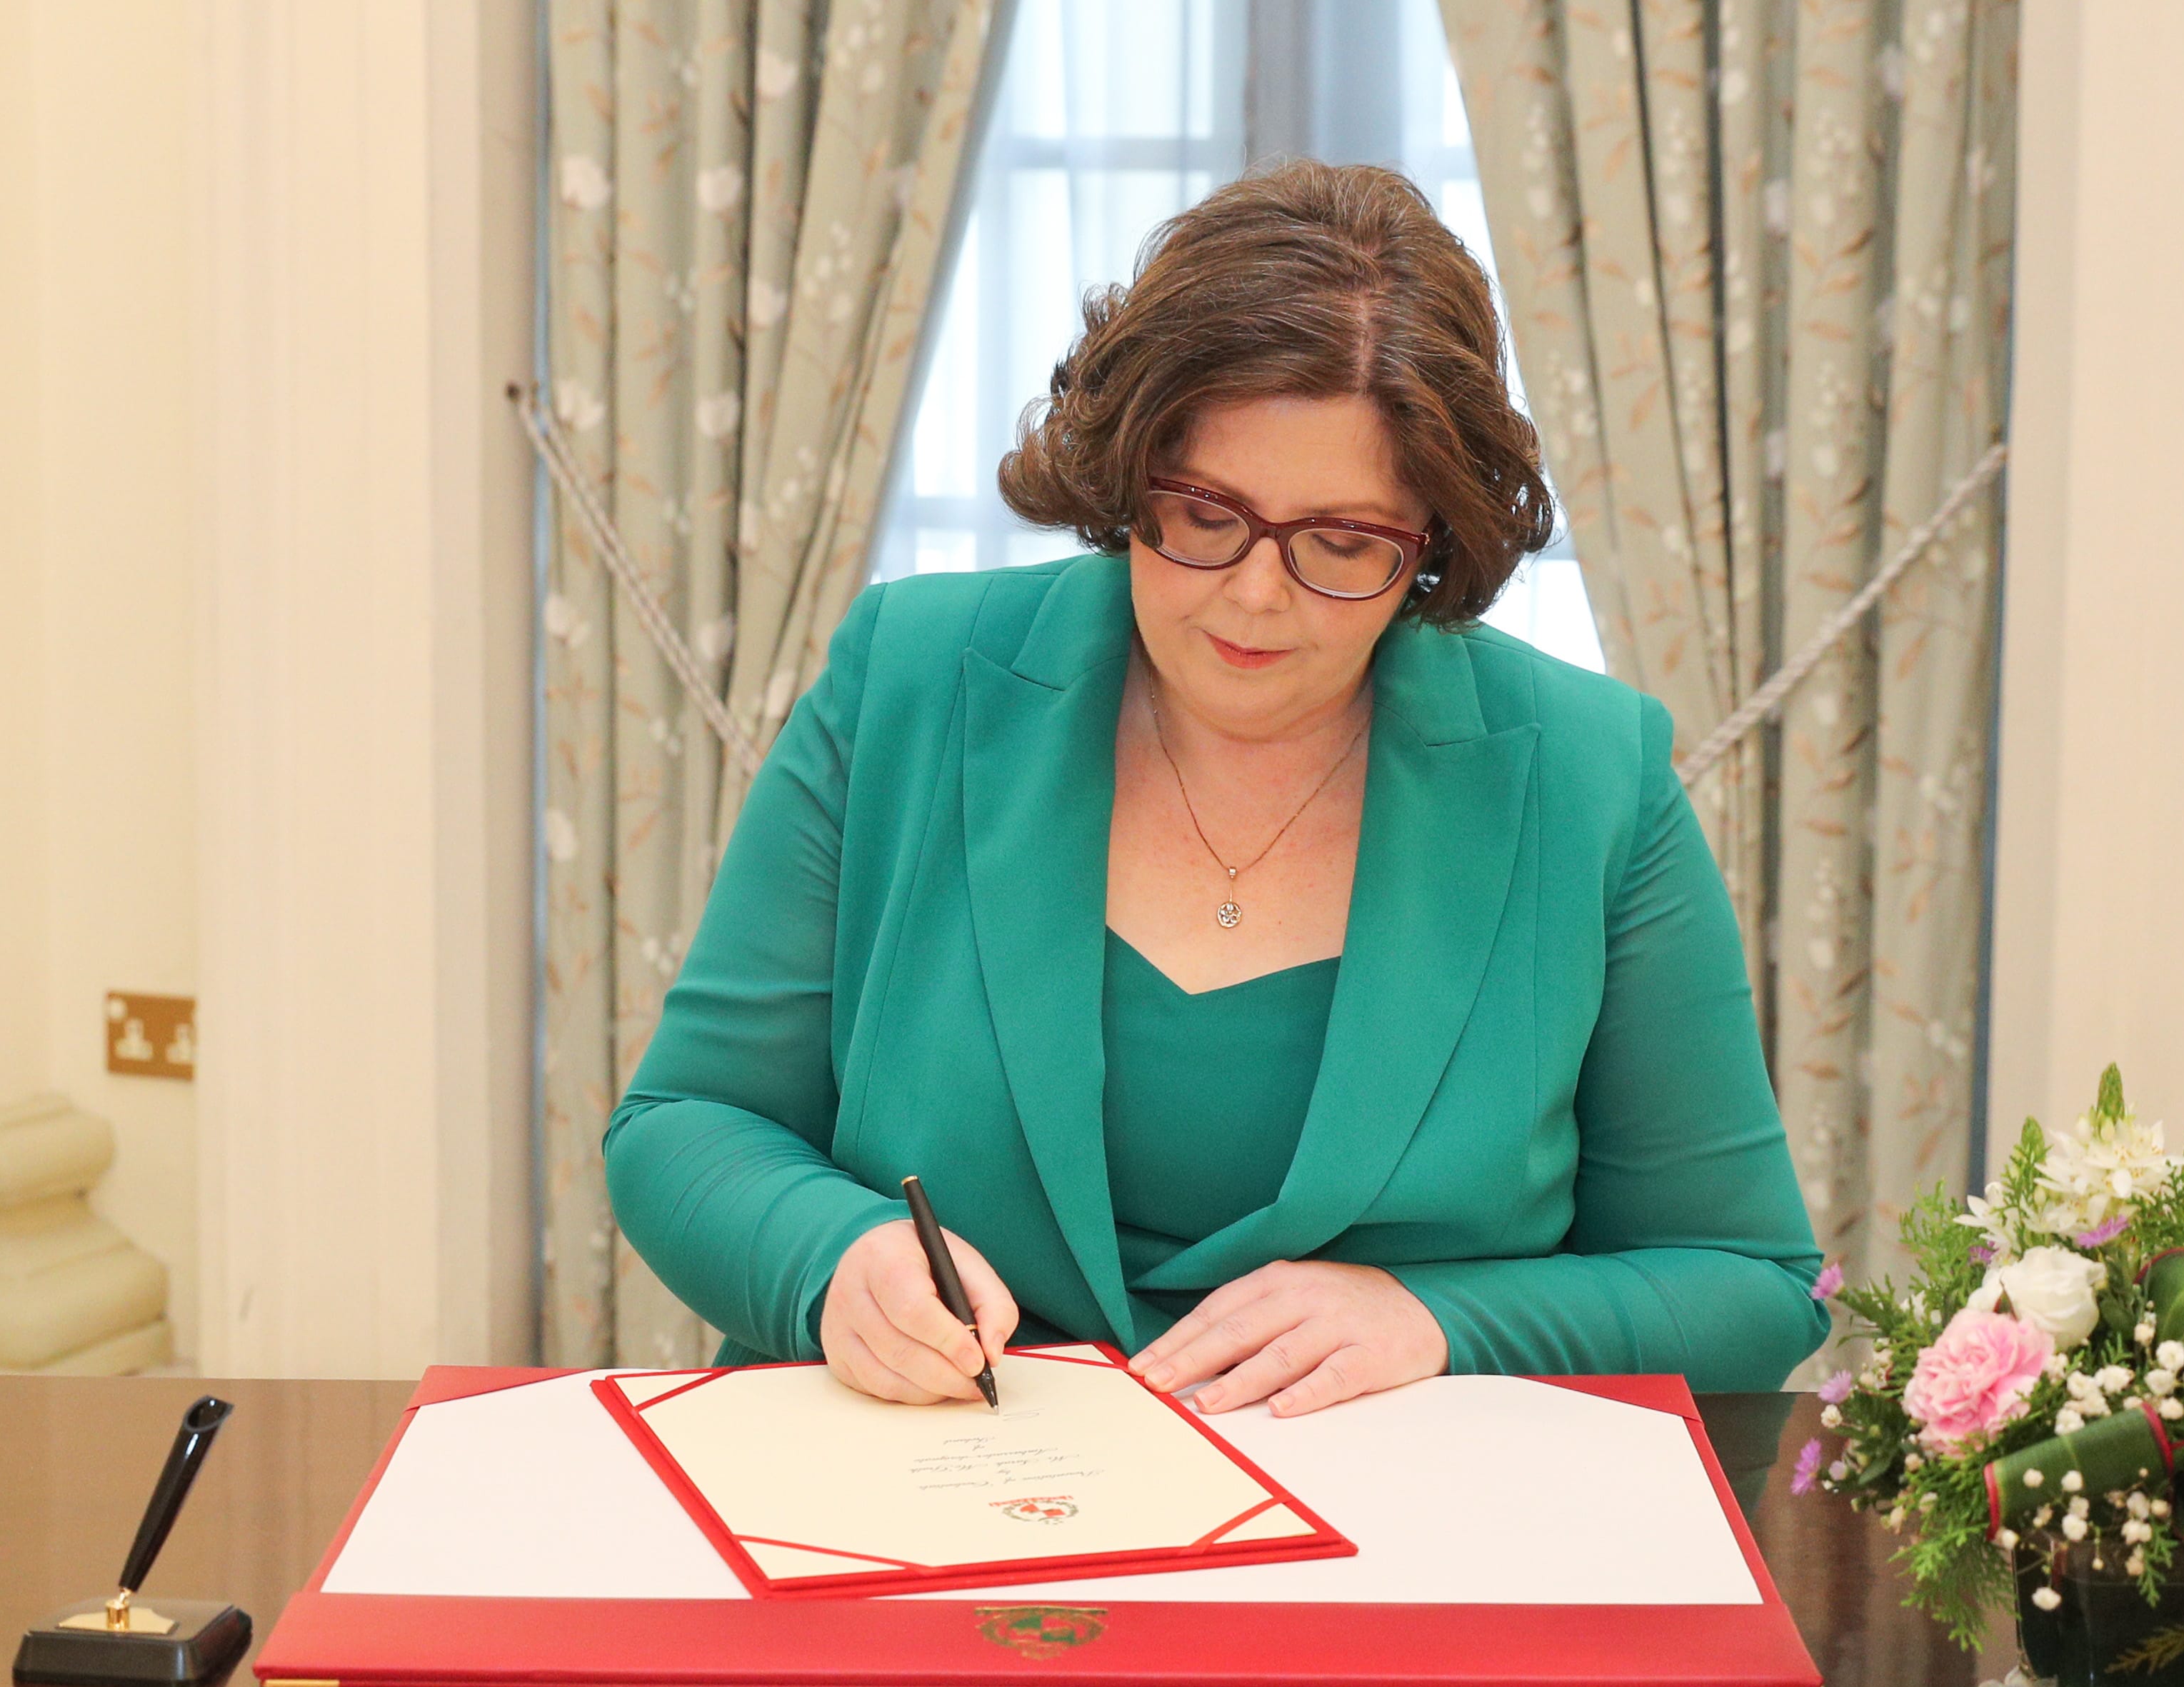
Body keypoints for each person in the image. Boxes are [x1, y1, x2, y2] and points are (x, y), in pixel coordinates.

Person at [603, 159, 1825, 1418]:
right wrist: (834, 1259)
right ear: (1127, 473)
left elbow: (1748, 1286)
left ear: (1431, 544)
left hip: (1388, 1553)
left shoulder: (1586, 777)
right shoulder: (912, 680)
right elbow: (685, 1123)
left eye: (1342, 544)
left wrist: (1441, 1321)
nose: (1256, 594)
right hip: (937, 1506)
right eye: (1202, 514)